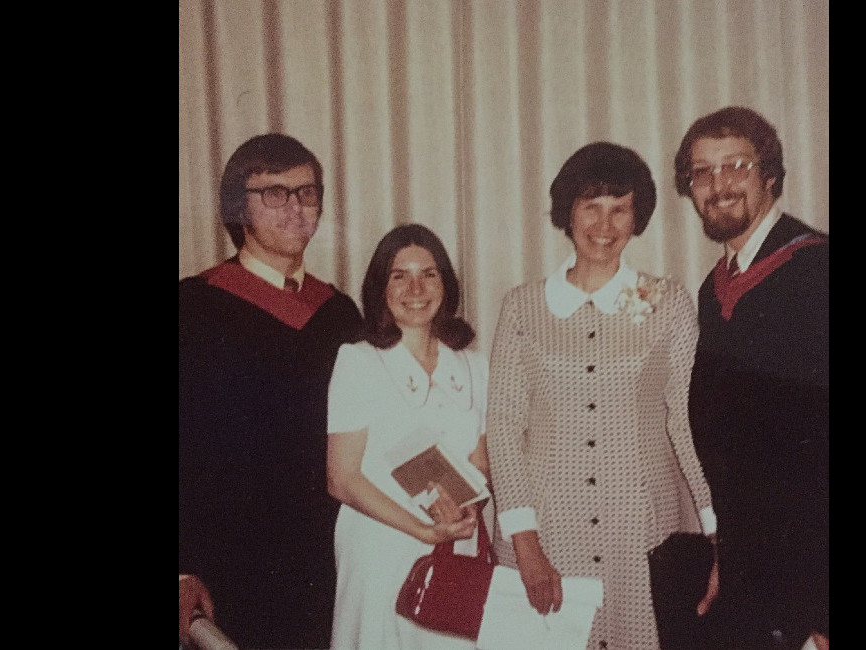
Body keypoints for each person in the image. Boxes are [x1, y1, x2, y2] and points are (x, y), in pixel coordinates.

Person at [484, 141, 717, 650]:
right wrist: (525, 543)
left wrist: (716, 527)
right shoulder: (523, 307)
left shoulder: (667, 302)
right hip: (545, 531)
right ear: (568, 211)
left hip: (641, 533)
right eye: (591, 206)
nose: (604, 225)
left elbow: (685, 418)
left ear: (638, 218)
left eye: (620, 208)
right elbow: (503, 426)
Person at [179, 133, 364, 649]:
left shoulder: (339, 313)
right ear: (238, 206)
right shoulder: (192, 308)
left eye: (307, 193)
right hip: (229, 565)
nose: (295, 208)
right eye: (275, 193)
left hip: (327, 559)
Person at [674, 105, 829, 650]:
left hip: (809, 586)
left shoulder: (816, 271)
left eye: (736, 164)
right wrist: (726, 556)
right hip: (751, 578)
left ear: (770, 176)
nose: (719, 184)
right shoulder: (715, 292)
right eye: (702, 171)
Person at [326, 223, 490, 650]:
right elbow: (341, 478)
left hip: (453, 541)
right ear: (381, 286)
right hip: (381, 545)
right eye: (400, 275)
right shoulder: (357, 360)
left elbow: (481, 459)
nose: (415, 287)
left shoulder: (474, 364)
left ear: (446, 285)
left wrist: (468, 509)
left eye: (429, 273)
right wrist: (420, 530)